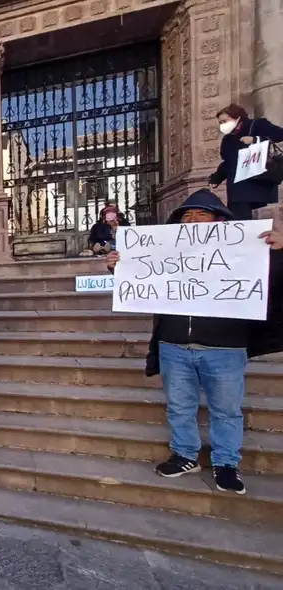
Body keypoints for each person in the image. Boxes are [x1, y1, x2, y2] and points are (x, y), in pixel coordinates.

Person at [105, 189, 283, 494]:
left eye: (202, 214)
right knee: (179, 406)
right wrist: (120, 265)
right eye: (187, 216)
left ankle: (226, 464)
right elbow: (145, 279)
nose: (193, 220)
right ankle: (185, 455)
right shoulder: (167, 252)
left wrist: (280, 251)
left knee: (226, 410)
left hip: (225, 347)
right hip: (173, 344)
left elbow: (271, 282)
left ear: (219, 220)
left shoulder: (248, 251)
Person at [209, 103, 283, 220]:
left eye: (225, 121)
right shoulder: (227, 139)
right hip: (237, 186)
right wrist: (216, 178)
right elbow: (228, 162)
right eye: (220, 123)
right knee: (237, 218)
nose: (222, 125)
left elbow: (280, 134)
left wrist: (255, 139)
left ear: (237, 117)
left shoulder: (257, 125)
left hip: (258, 181)